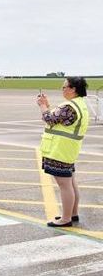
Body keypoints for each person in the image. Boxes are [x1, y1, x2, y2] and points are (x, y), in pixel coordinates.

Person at [37, 77, 89, 227]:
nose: (62, 89)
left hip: (60, 150)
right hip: (68, 150)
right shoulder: (79, 104)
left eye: (64, 86)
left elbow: (50, 118)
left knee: (64, 185)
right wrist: (47, 105)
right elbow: (61, 119)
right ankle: (72, 214)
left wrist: (42, 106)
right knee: (71, 183)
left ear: (73, 89)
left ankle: (66, 219)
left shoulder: (69, 106)